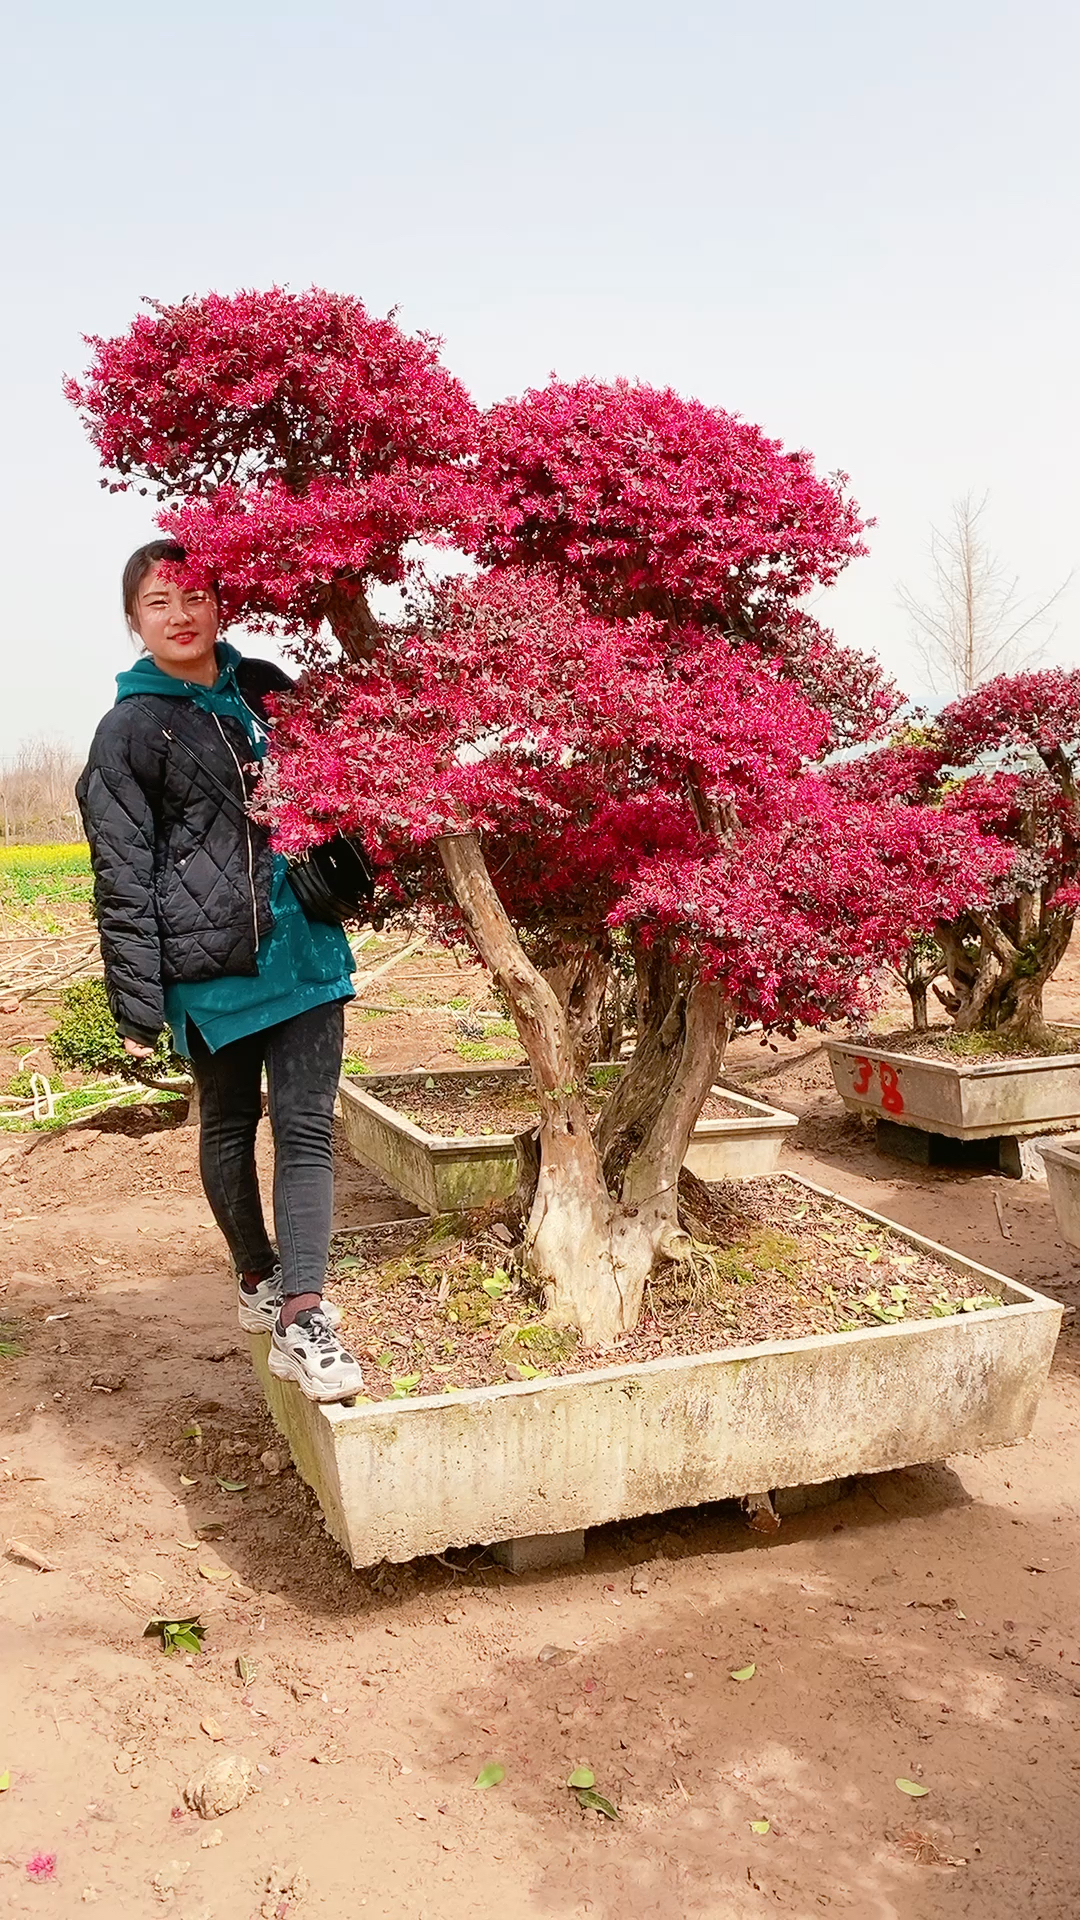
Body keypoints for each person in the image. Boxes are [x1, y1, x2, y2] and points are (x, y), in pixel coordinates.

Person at [76, 540, 365, 1404]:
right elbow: (120, 872)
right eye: (159, 601)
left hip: (304, 946)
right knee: (232, 1125)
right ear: (135, 620)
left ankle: (303, 1317)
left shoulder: (266, 691)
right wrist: (136, 1004)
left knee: (308, 1129)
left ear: (221, 607)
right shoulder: (128, 729)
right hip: (211, 967)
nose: (180, 613)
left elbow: (341, 780)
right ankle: (257, 1273)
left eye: (195, 595)